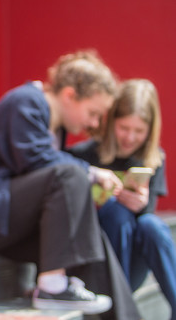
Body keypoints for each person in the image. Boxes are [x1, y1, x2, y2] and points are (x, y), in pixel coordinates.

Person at [0, 50, 141, 319]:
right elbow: (37, 161)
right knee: (71, 174)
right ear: (69, 95)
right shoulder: (27, 101)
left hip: (1, 216)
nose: (92, 124)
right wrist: (91, 172)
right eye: (93, 113)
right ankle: (52, 289)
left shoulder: (54, 126)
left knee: (93, 242)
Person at [70, 78, 175, 319]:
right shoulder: (83, 155)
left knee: (153, 225)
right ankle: (118, 309)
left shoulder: (154, 159)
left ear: (150, 130)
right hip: (95, 260)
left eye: (139, 131)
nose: (130, 137)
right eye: (124, 128)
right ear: (111, 122)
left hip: (131, 262)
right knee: (115, 211)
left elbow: (145, 222)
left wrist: (141, 205)